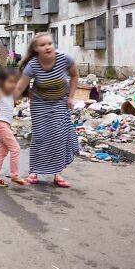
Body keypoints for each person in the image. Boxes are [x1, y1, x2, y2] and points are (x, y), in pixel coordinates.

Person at [14, 32, 79, 188]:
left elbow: (75, 76)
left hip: (59, 103)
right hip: (39, 103)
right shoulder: (33, 65)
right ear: (36, 49)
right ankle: (34, 171)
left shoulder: (65, 58)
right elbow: (20, 87)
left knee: (58, 136)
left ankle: (57, 173)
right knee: (40, 137)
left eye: (49, 43)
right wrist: (8, 104)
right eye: (42, 45)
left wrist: (71, 97)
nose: (47, 47)